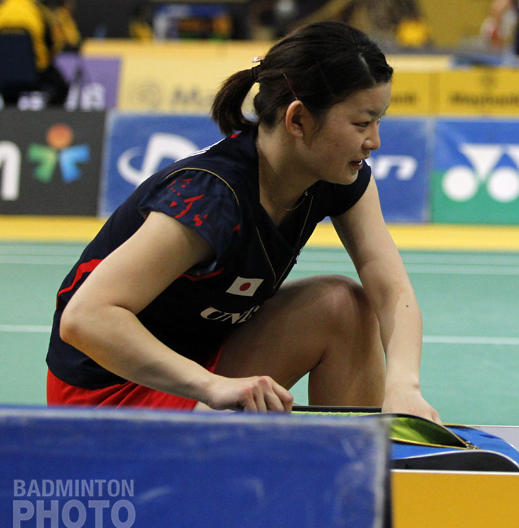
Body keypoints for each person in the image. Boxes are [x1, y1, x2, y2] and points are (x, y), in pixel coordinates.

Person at [46, 21, 440, 420]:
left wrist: (403, 388)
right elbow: (86, 318)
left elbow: (391, 291)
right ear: (298, 120)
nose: (374, 141)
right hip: (110, 392)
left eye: (378, 121)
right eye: (361, 123)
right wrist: (212, 386)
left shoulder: (337, 175)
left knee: (344, 306)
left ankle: (353, 454)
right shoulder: (210, 198)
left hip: (200, 361)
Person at [0, 0, 69, 107]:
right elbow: (53, 45)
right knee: (62, 87)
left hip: (3, 74)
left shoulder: (2, 9)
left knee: (9, 88)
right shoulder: (39, 11)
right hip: (36, 74)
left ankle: (8, 116)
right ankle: (47, 119)